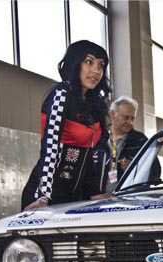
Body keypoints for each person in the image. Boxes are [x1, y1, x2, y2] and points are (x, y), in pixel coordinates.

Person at [21, 40, 111, 211]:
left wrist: (93, 192)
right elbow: (50, 146)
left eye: (101, 65)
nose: (96, 70)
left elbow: (88, 155)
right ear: (75, 63)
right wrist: (44, 196)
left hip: (74, 196)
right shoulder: (61, 94)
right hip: (46, 195)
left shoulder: (94, 104)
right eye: (89, 62)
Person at [104, 96, 150, 192]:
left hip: (128, 197)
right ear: (112, 114)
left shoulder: (140, 140)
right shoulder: (99, 139)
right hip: (99, 198)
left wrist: (135, 168)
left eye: (132, 118)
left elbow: (155, 171)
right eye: (126, 117)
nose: (130, 122)